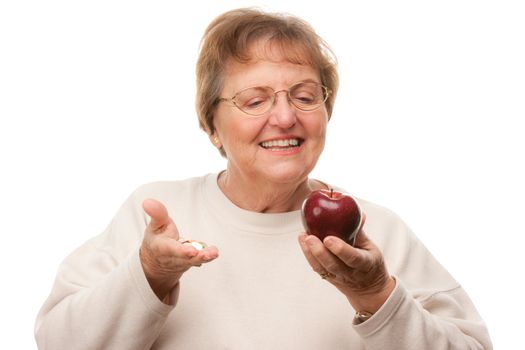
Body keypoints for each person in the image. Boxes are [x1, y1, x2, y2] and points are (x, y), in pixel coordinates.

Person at [35, 7, 492, 349]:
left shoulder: (377, 232)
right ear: (212, 125)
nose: (286, 116)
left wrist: (375, 295)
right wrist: (149, 275)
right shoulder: (157, 215)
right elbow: (57, 340)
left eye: (305, 96)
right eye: (255, 100)